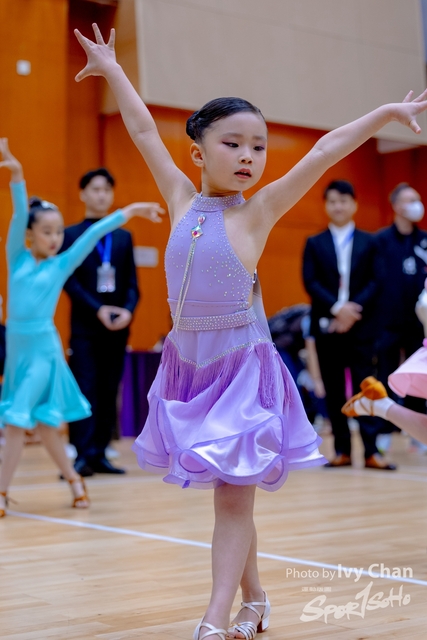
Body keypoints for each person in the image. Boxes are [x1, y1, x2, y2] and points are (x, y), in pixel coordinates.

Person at [75, 23, 427, 640]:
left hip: (241, 368)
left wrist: (385, 114)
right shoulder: (179, 197)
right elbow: (141, 129)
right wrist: (113, 68)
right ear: (198, 153)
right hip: (188, 368)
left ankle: (215, 616)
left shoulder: (260, 211)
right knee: (230, 490)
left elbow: (324, 150)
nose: (248, 156)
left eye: (258, 147)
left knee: (233, 496)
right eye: (233, 143)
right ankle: (256, 599)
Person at [0, 138, 163, 518]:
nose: (55, 239)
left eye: (59, 232)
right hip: (17, 351)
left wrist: (129, 212)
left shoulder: (61, 264)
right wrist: (18, 174)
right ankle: (75, 480)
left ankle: (2, 492)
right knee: (44, 425)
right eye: (47, 232)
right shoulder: (16, 258)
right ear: (29, 235)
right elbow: (19, 212)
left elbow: (91, 235)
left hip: (43, 351)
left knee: (14, 419)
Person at [302, 180, 395, 470]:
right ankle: (341, 450)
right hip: (328, 326)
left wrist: (351, 310)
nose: (338, 206)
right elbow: (311, 281)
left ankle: (371, 451)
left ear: (354, 204)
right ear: (326, 206)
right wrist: (337, 308)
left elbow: (377, 281)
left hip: (362, 326)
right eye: (332, 201)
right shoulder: (314, 243)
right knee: (333, 389)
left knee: (366, 387)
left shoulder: (371, 242)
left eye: (343, 200)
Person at [60, 167, 140, 477]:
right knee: (85, 388)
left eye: (106, 190)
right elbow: (70, 282)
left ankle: (100, 453)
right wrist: (97, 310)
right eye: (95, 189)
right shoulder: (70, 235)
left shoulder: (123, 237)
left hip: (117, 328)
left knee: (109, 389)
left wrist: (128, 310)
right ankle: (81, 454)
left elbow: (131, 283)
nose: (101, 195)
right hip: (86, 327)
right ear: (83, 194)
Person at [374, 183, 427, 432]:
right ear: (396, 206)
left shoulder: (424, 241)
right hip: (388, 322)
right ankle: (385, 429)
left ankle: (417, 430)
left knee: (419, 376)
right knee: (386, 372)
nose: (416, 205)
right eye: (409, 200)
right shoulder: (380, 241)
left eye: (417, 199)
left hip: (419, 324)